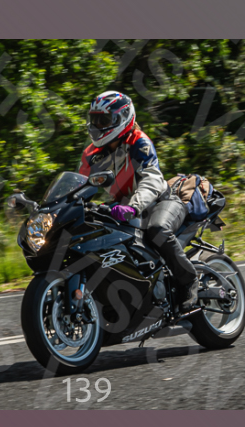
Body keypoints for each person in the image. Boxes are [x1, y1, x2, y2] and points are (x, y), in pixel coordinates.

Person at [79, 90, 199, 313]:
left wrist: (132, 207)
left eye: (104, 120)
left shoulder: (138, 142)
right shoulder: (91, 153)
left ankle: (189, 281)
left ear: (123, 118)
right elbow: (80, 184)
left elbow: (152, 179)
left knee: (157, 229)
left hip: (160, 201)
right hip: (123, 208)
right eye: (95, 120)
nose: (97, 126)